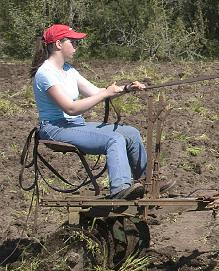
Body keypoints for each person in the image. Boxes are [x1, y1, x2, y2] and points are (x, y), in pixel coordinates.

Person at [31, 24, 163, 199]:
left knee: (131, 133)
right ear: (58, 44)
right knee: (114, 139)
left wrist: (127, 87)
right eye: (73, 42)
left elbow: (96, 92)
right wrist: (106, 93)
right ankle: (120, 189)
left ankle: (148, 183)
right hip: (55, 129)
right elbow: (71, 108)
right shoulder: (45, 74)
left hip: (74, 125)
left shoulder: (69, 71)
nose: (76, 47)